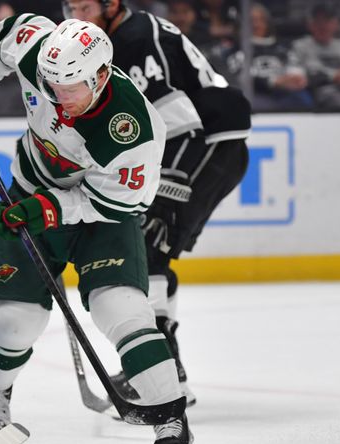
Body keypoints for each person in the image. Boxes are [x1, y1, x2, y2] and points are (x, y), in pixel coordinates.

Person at [0, 16, 195, 444]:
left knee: (121, 310)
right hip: (30, 190)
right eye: (52, 85)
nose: (59, 98)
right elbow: (3, 38)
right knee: (13, 322)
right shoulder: (38, 51)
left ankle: (170, 418)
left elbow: (119, 203)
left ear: (100, 76)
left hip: (101, 218)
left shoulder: (133, 128)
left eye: (71, 87)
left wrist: (50, 210)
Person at [64, 0, 251, 407]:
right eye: (70, 7)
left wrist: (167, 190)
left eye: (85, 8)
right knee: (154, 256)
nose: (75, 17)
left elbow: (182, 126)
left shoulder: (131, 41)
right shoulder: (111, 42)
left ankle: (163, 377)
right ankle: (169, 373)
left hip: (205, 148)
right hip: (204, 149)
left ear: (112, 6)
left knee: (148, 249)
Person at [216, 3, 313, 111]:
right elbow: (239, 76)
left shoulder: (283, 48)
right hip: (257, 93)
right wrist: (273, 82)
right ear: (242, 25)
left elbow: (295, 65)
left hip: (286, 92)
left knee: (303, 98)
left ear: (268, 23)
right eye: (251, 20)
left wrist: (296, 77)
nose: (256, 24)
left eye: (261, 20)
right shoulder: (236, 49)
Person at [291, 1, 340, 110]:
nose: (323, 25)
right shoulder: (301, 46)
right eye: (318, 21)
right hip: (325, 91)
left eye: (328, 21)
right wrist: (334, 76)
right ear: (310, 25)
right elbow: (298, 73)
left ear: (336, 24)